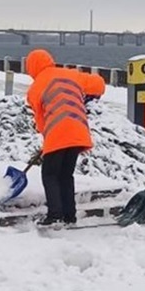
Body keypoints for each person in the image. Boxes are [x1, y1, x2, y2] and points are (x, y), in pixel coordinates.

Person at [24, 49, 106, 226]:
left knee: (50, 174)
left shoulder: (35, 88)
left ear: (31, 68)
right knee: (66, 175)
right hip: (79, 131)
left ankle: (55, 216)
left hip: (57, 133)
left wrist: (47, 140)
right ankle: (70, 216)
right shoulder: (70, 74)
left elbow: (40, 121)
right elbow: (99, 84)